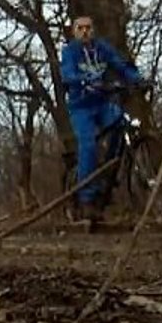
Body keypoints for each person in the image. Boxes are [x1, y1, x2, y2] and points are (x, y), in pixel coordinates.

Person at [59, 15, 149, 220]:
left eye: (88, 28)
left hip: (102, 103)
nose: (84, 32)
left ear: (93, 30)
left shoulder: (101, 48)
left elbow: (120, 64)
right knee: (88, 144)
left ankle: (108, 176)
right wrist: (85, 80)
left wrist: (137, 80)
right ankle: (87, 198)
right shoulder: (70, 51)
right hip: (81, 107)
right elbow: (68, 74)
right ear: (74, 31)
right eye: (79, 28)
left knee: (122, 123)